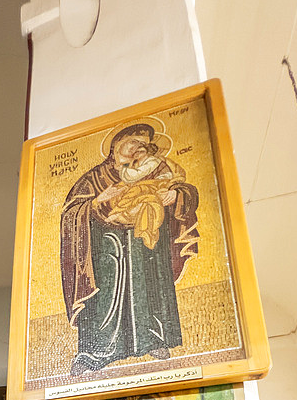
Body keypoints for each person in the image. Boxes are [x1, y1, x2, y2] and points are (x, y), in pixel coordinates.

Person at [60, 123, 199, 375]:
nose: (137, 147)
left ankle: (153, 339)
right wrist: (99, 200)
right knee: (107, 290)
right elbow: (70, 212)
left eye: (142, 143)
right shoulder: (94, 178)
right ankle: (95, 352)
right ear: (115, 145)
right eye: (132, 141)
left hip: (144, 240)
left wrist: (176, 195)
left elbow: (181, 185)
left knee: (146, 283)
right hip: (104, 244)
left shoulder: (155, 167)